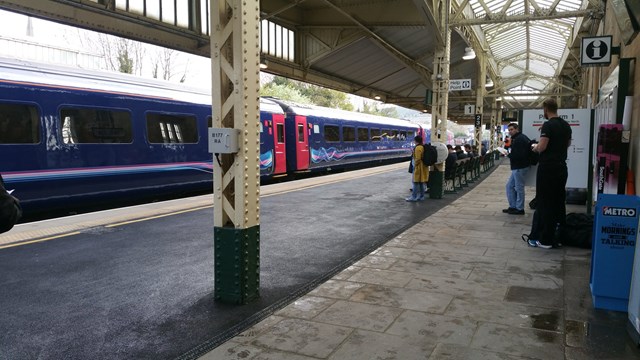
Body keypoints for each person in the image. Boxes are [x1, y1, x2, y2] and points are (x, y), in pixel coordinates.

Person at [527, 98, 572, 249]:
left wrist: (534, 146)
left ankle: (544, 238)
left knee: (544, 201)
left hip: (548, 168)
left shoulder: (548, 125)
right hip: (561, 168)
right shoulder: (566, 125)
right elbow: (567, 144)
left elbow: (542, 147)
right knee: (558, 201)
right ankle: (558, 236)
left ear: (545, 109)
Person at [503, 123, 530, 215]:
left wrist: (508, 154)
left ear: (516, 129)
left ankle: (520, 209)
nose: (510, 131)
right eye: (509, 130)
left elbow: (520, 155)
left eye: (512, 129)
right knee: (509, 186)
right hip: (517, 166)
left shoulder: (520, 139)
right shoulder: (516, 138)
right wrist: (506, 146)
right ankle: (513, 206)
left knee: (519, 187)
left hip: (520, 166)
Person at [406, 135, 429, 202]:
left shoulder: (418, 148)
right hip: (423, 167)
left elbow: (418, 159)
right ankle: (421, 196)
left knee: (415, 182)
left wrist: (415, 165)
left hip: (419, 168)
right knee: (421, 183)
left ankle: (414, 197)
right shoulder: (422, 146)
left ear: (416, 141)